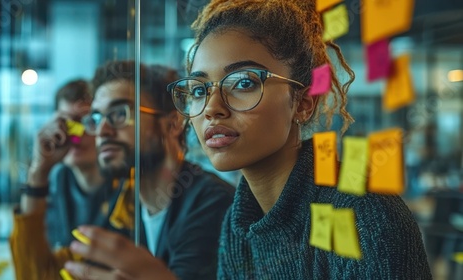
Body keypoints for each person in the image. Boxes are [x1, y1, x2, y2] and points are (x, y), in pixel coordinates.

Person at [64, 0, 432, 279]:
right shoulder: (239, 223)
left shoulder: (363, 215)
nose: (212, 108)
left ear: (303, 103)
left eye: (243, 83)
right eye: (198, 89)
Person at [29, 60, 234, 280]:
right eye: (96, 118)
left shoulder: (212, 204)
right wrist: (39, 173)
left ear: (172, 124)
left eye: (119, 113)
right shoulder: (128, 206)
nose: (102, 131)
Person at [10, 79, 133, 279]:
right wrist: (39, 171)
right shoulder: (54, 184)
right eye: (65, 123)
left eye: (86, 121)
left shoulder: (129, 186)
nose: (75, 135)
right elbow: (31, 272)